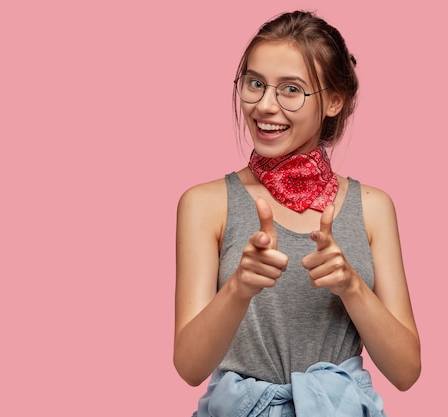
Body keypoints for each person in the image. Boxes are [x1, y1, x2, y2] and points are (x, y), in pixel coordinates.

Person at [173, 10, 421, 416]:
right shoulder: (205, 204)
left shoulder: (373, 207)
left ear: (334, 101)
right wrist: (239, 288)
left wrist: (351, 286)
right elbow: (189, 366)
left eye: (291, 90)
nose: (265, 106)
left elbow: (407, 372)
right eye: (255, 84)